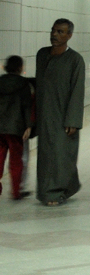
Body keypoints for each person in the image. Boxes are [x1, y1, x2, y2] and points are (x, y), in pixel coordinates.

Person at [35, 19, 85, 206]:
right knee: (46, 155)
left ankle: (55, 192)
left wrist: (73, 119)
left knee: (62, 155)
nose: (55, 35)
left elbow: (77, 90)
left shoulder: (75, 60)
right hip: (45, 115)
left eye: (60, 32)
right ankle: (50, 191)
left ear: (69, 35)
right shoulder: (42, 55)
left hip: (64, 115)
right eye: (53, 30)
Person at [0, 55, 33, 200]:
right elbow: (27, 106)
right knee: (16, 161)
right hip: (16, 128)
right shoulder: (23, 84)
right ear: (20, 67)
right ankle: (16, 192)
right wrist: (28, 126)